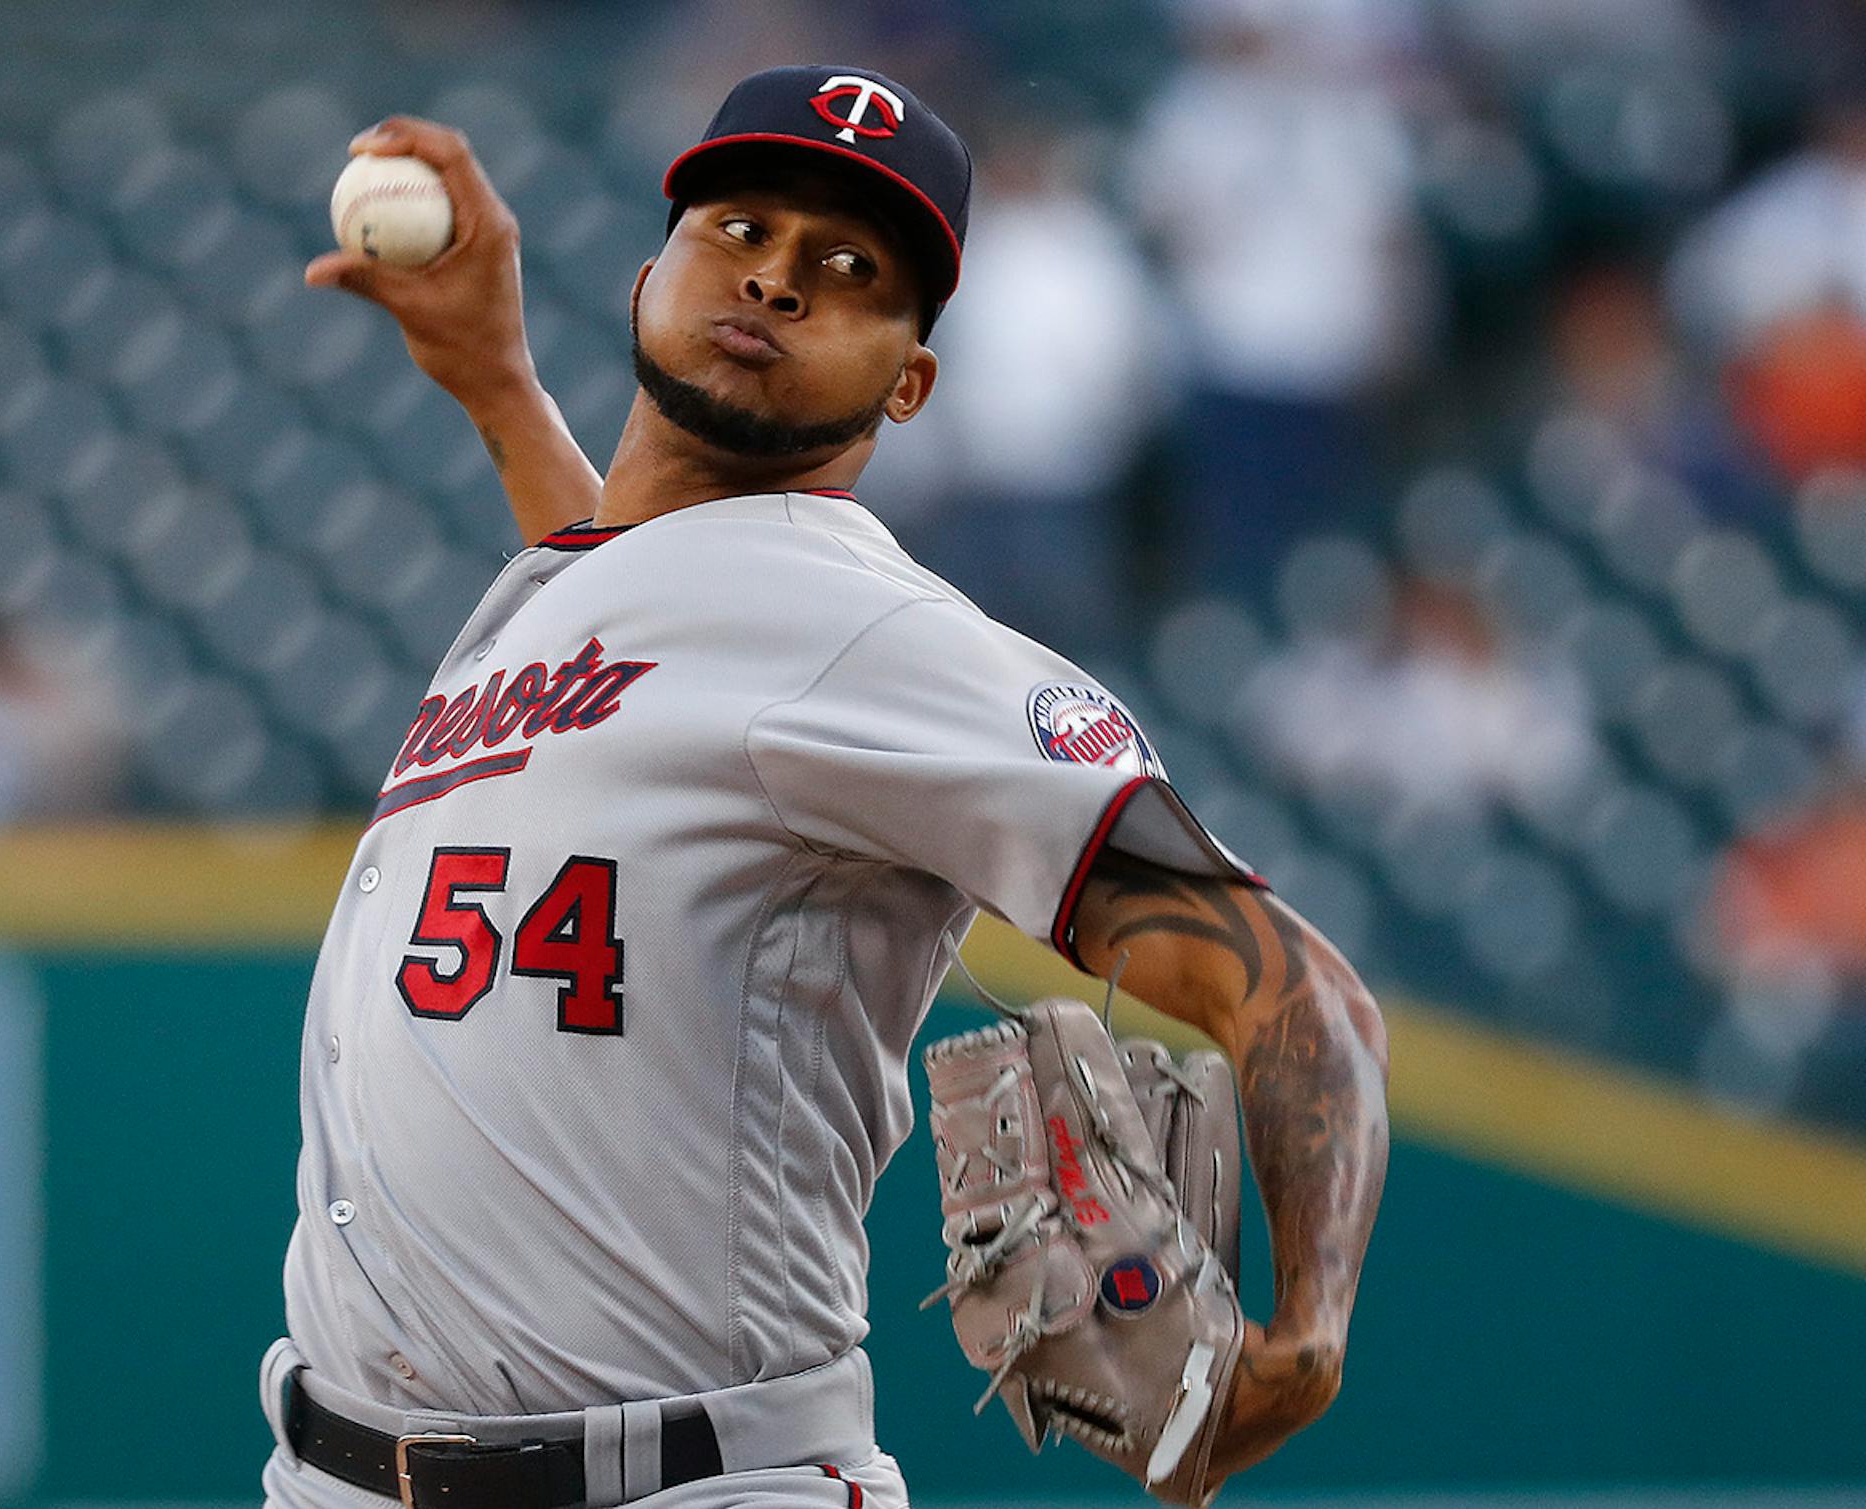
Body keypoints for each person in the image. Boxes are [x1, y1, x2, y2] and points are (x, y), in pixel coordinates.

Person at [259, 65, 1389, 1509]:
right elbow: (652, 618)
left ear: (909, 382)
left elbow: (1295, 983)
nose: (779, 279)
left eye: (851, 270)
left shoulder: (872, 635)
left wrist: (1308, 1331)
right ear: (649, 274)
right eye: (740, 229)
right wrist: (495, 383)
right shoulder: (573, 595)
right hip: (339, 1474)